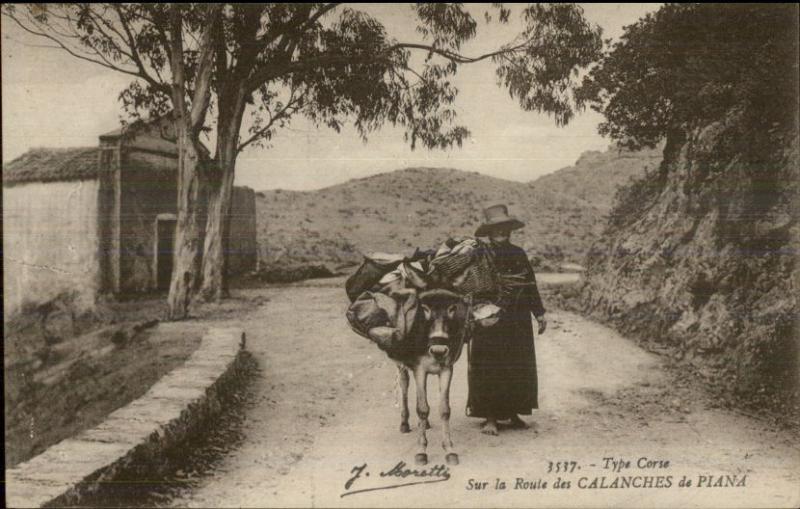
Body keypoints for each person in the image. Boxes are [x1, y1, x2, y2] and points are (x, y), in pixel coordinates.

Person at [467, 204, 547, 435]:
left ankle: (513, 413)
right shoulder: (479, 255)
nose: (502, 232)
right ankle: (490, 417)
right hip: (490, 319)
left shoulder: (518, 253)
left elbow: (530, 285)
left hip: (517, 319)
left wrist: (539, 313)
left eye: (505, 228)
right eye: (497, 229)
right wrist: (479, 312)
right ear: (489, 232)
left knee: (517, 364)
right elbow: (471, 287)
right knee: (490, 366)